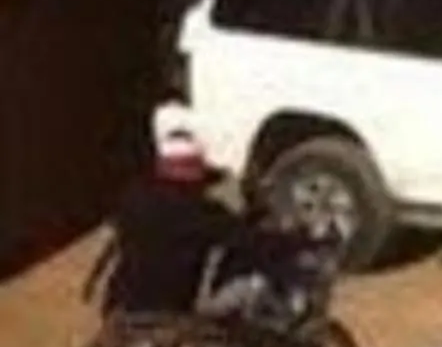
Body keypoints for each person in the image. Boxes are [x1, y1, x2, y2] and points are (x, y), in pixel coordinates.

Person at [86, 105, 296, 324]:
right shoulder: (200, 212)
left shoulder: (134, 196)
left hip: (118, 309)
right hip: (170, 316)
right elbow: (252, 242)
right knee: (253, 285)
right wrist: (297, 243)